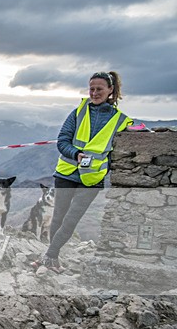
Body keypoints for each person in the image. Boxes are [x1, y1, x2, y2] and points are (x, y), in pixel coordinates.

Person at [32, 71, 132, 273]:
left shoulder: (121, 120)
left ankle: (49, 256)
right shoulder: (78, 111)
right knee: (59, 217)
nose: (94, 93)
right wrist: (76, 154)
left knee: (71, 219)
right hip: (66, 172)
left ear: (110, 90)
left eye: (99, 89)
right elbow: (62, 141)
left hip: (93, 177)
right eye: (91, 89)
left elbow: (122, 150)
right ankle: (53, 259)